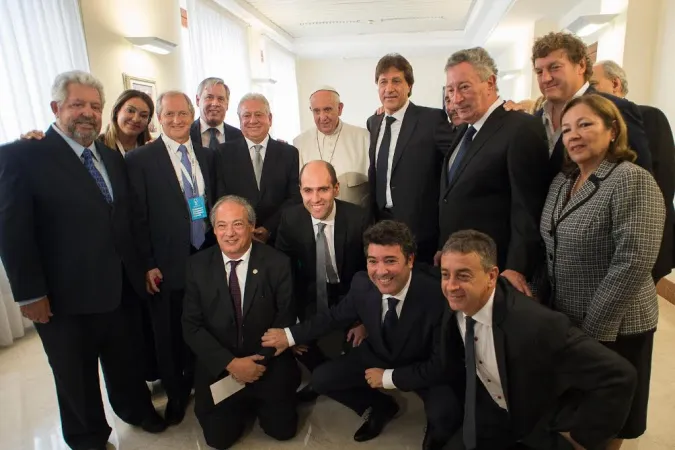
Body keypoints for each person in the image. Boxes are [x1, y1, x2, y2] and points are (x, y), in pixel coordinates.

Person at [0, 70, 165, 450]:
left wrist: (140, 269)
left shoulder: (109, 155)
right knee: (75, 376)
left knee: (126, 361)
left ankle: (136, 410)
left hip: (120, 288)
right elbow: (13, 232)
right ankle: (88, 437)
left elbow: (125, 220)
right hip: (63, 298)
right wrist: (29, 295)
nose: (87, 113)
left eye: (94, 105)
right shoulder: (23, 156)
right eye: (77, 104)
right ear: (56, 107)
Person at [263, 220, 461, 449]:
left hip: (423, 363)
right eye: (373, 261)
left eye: (390, 260)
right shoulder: (362, 283)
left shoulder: (438, 295)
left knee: (446, 415)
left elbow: (442, 365)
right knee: (321, 379)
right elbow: (332, 318)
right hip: (377, 352)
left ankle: (436, 430)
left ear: (410, 260)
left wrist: (388, 378)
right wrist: (289, 336)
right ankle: (381, 407)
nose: (381, 271)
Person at [541, 95, 665, 449]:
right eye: (566, 129)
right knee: (580, 410)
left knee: (609, 417)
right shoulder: (563, 182)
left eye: (585, 125)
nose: (574, 135)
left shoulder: (631, 180)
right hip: (569, 318)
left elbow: (634, 261)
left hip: (617, 326)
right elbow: (549, 246)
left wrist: (594, 329)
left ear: (613, 131)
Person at [439, 230, 637, 450]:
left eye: (463, 275)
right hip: (488, 415)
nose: (451, 286)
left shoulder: (537, 324)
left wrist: (581, 438)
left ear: (492, 276)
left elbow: (619, 375)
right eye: (445, 274)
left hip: (537, 427)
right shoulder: (452, 306)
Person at [126, 90, 218, 425]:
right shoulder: (140, 160)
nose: (177, 121)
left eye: (183, 114)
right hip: (165, 263)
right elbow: (135, 218)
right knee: (167, 334)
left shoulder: (207, 156)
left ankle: (200, 382)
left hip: (204, 256)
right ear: (158, 119)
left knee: (202, 325)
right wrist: (147, 263)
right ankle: (177, 395)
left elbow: (209, 203)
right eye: (169, 115)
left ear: (192, 114)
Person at [182, 195, 300, 449]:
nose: (230, 233)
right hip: (222, 367)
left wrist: (258, 361)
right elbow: (191, 327)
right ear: (214, 230)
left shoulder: (277, 263)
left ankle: (258, 399)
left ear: (251, 226)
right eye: (222, 226)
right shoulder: (197, 267)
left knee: (283, 431)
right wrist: (232, 363)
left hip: (266, 362)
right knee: (218, 440)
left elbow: (285, 317)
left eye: (237, 224)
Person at [438, 47, 550, 297]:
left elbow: (528, 207)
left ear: (490, 83)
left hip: (494, 271)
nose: (456, 99)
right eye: (450, 90)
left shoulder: (520, 128)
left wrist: (516, 267)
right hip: (461, 263)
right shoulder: (466, 131)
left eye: (464, 87)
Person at [275, 160, 370, 401]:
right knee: (300, 345)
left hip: (352, 293)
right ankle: (324, 381)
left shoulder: (359, 219)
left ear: (336, 189)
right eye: (308, 190)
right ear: (300, 191)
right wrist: (291, 324)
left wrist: (362, 320)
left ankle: (329, 382)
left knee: (359, 350)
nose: (315, 198)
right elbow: (283, 274)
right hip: (312, 292)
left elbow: (372, 274)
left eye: (323, 189)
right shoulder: (290, 219)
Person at [366, 53, 455, 264]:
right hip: (382, 226)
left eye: (396, 81)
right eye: (383, 82)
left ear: (409, 86)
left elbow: (459, 163)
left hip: (421, 232)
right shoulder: (374, 122)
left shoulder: (431, 119)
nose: (389, 88)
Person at [591, 60, 675, 282]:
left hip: (642, 240)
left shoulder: (650, 117)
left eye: (593, 84)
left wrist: (642, 242)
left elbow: (663, 185)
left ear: (615, 83)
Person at [530, 32, 652, 179]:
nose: (546, 78)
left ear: (581, 66)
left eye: (555, 67)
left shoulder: (615, 109)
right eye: (539, 71)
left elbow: (640, 180)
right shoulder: (534, 120)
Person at [215, 93, 301, 244]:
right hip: (237, 238)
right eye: (246, 115)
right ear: (240, 120)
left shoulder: (289, 153)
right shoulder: (222, 154)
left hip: (279, 238)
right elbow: (222, 197)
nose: (253, 120)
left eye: (258, 114)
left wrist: (269, 228)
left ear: (270, 118)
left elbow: (294, 198)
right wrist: (245, 228)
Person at [293, 87, 370, 207]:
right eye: (316, 111)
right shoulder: (300, 143)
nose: (323, 117)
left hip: (357, 220)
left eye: (327, 109)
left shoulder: (364, 138)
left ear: (340, 109)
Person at [18, 89, 154, 154]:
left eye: (143, 115)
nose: (136, 119)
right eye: (130, 111)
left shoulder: (151, 149)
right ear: (116, 111)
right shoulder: (95, 147)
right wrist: (36, 141)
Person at [190, 77, 243, 151]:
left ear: (227, 104)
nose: (215, 103)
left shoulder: (238, 136)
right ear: (198, 100)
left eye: (221, 99)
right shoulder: (187, 134)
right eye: (209, 97)